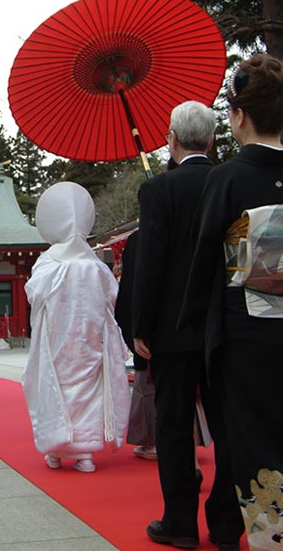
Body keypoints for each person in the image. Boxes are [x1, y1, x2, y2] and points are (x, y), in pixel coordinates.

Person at [179, 54, 283, 549]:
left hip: (249, 338)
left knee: (255, 448)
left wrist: (195, 342)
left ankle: (272, 538)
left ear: (239, 116)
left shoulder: (229, 178)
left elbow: (203, 270)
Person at [132, 100, 243, 551]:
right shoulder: (231, 180)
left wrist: (141, 326)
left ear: (171, 139)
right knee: (229, 424)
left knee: (174, 426)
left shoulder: (158, 190)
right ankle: (226, 521)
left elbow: (151, 264)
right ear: (213, 140)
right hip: (224, 326)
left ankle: (179, 522)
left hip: (173, 328)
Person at [22, 181, 130, 473]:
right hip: (90, 339)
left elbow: (33, 294)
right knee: (89, 388)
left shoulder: (47, 265)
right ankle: (86, 454)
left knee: (55, 386)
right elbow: (112, 297)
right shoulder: (95, 266)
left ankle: (56, 450)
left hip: (55, 338)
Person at [115, 229, 157, 461]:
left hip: (146, 325)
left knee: (148, 383)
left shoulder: (139, 239)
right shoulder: (188, 227)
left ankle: (152, 441)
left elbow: (130, 287)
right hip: (181, 323)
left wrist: (134, 331)